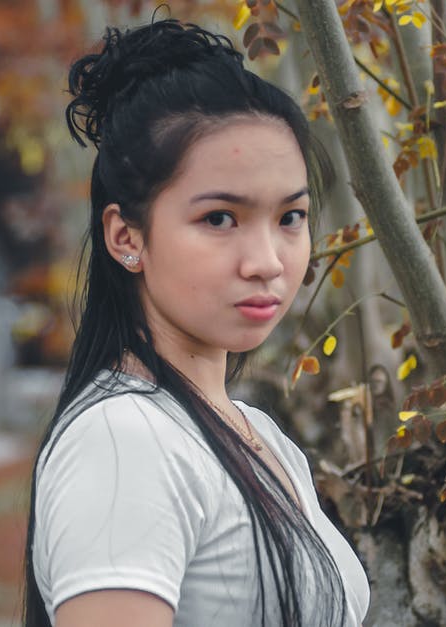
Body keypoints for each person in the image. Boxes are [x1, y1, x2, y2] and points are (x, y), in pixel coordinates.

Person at [23, 18, 371, 627]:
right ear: (125, 237)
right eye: (219, 219)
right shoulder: (125, 441)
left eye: (290, 217)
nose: (266, 262)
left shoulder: (257, 435)